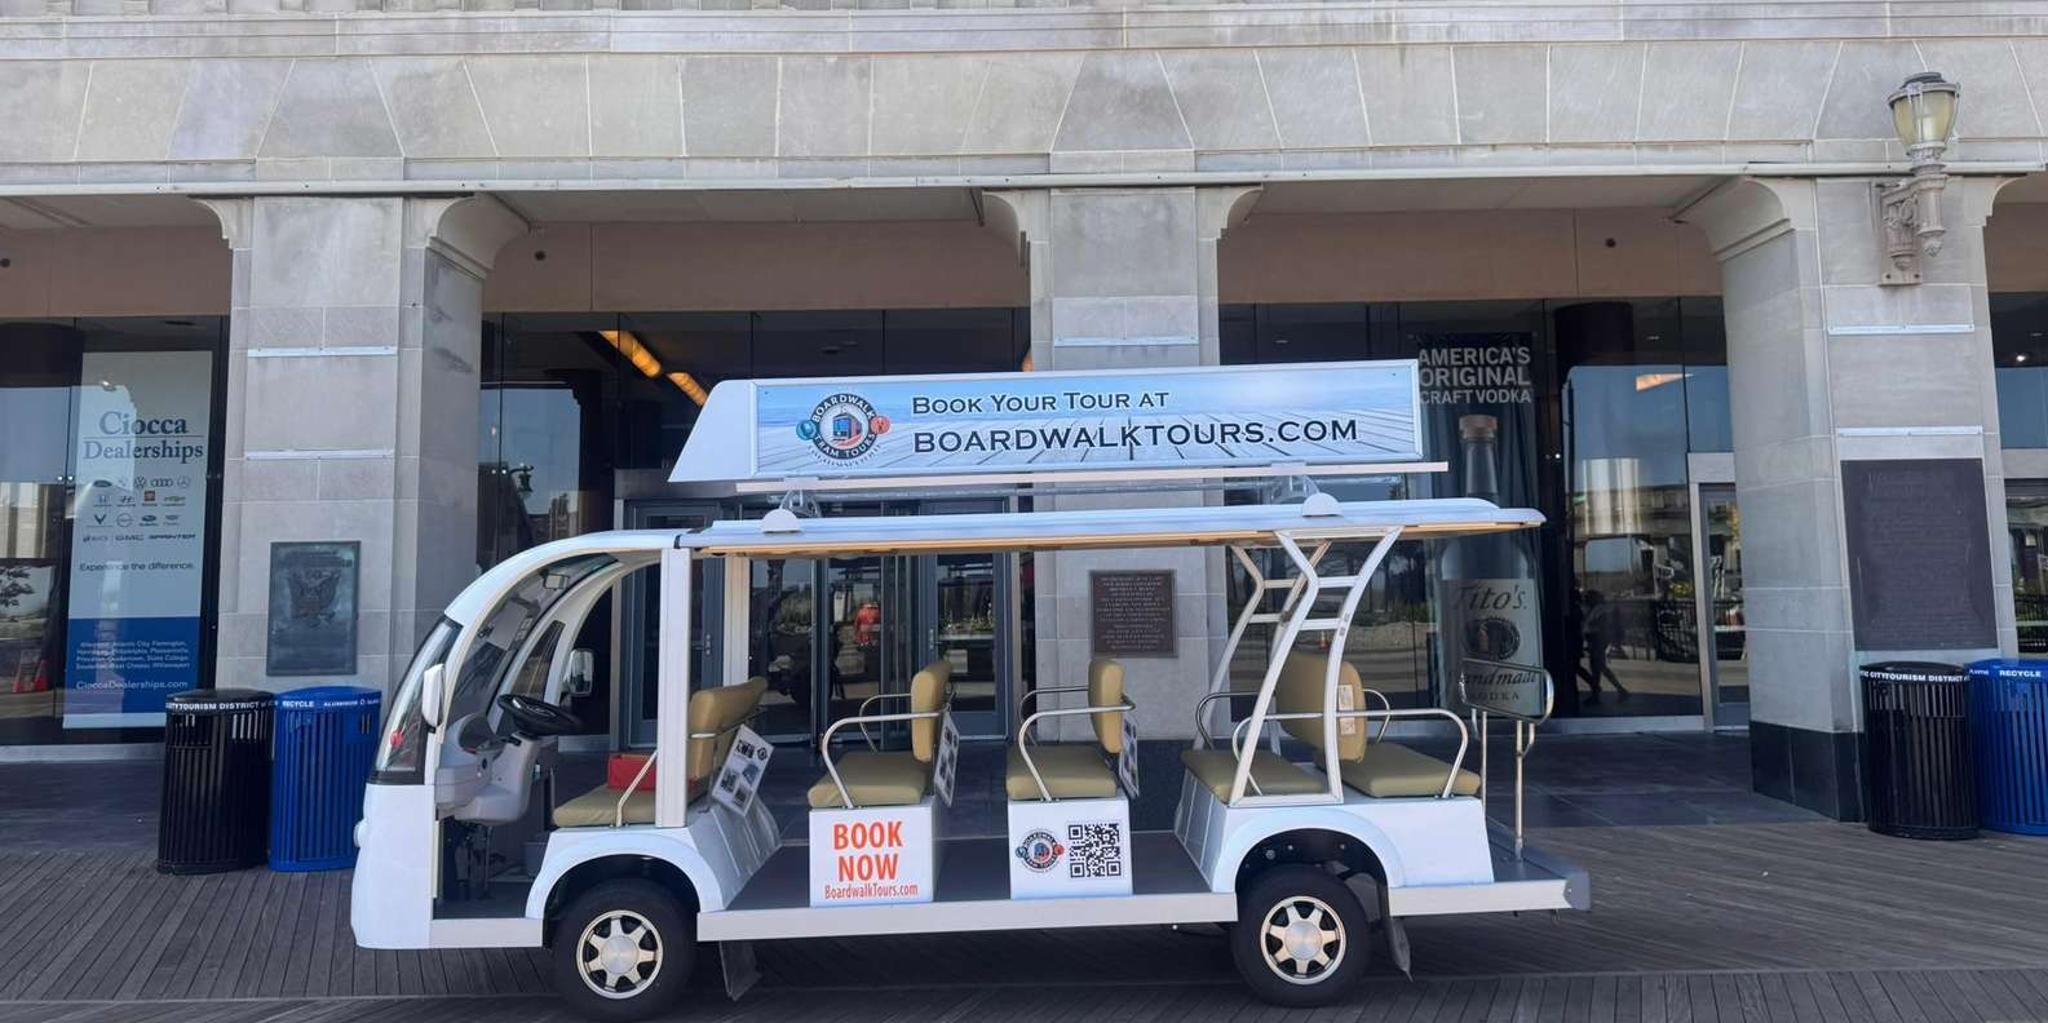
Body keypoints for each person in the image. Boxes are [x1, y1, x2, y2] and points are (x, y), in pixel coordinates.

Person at [1578, 589, 1630, 700]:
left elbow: (1599, 625)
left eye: (1588, 597)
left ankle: (1600, 692)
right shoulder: (1594, 609)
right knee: (1599, 668)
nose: (1585, 599)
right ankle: (1613, 690)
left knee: (1598, 667)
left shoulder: (1600, 610)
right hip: (1595, 641)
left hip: (1597, 641)